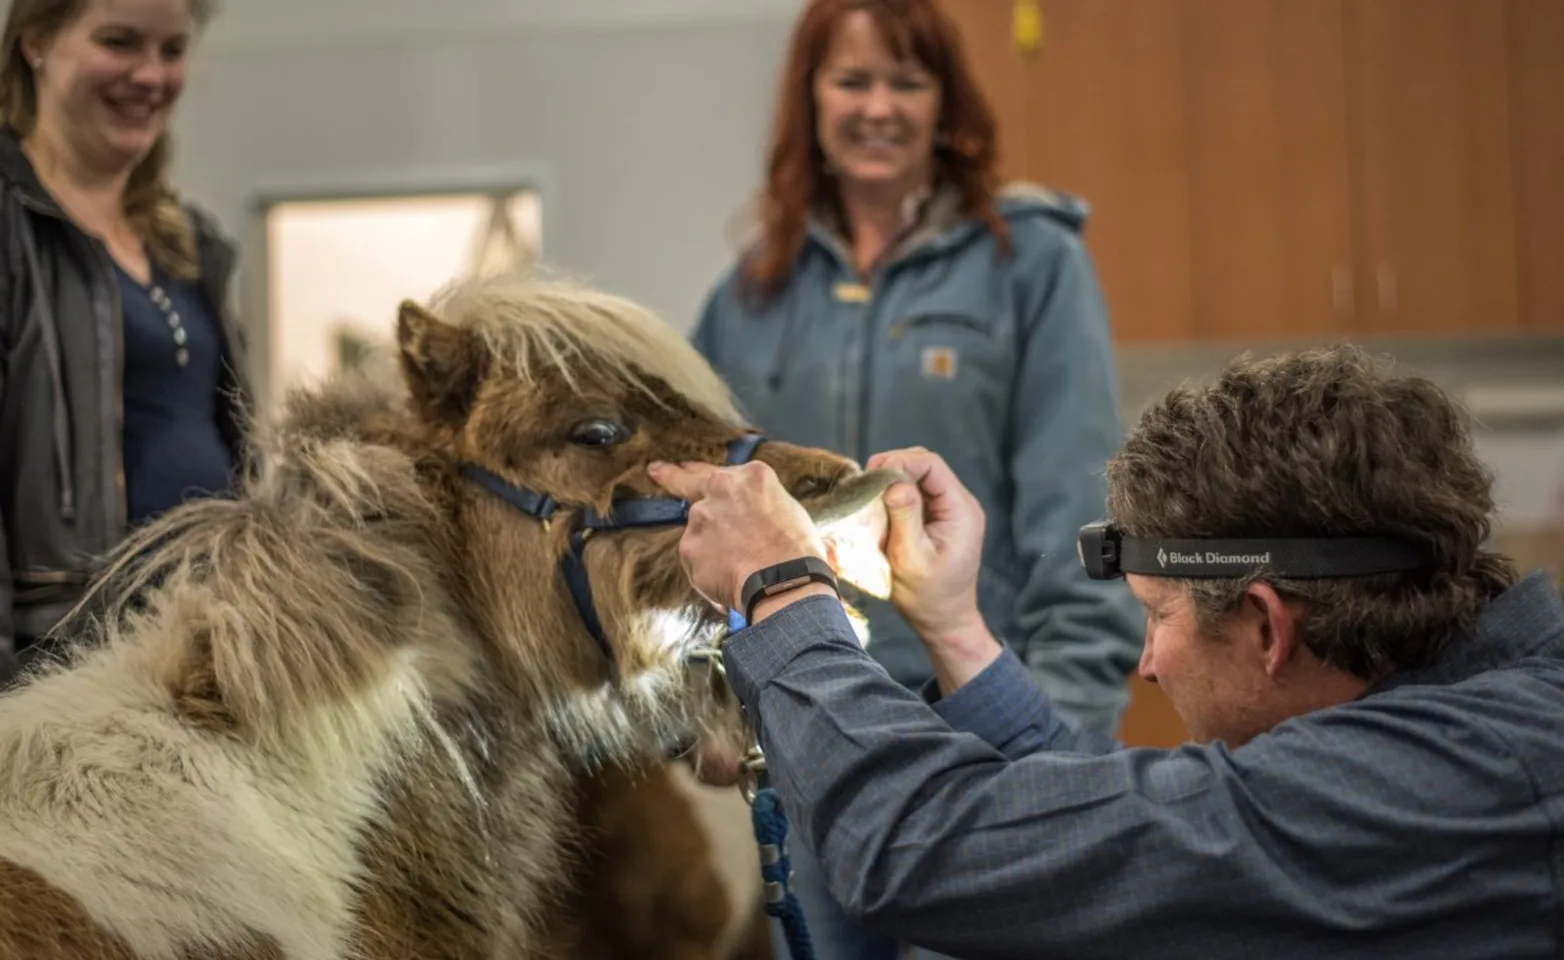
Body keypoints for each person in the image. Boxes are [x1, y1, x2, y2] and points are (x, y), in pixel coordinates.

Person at [650, 345, 1564, 959]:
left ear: (1266, 626)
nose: (1148, 666)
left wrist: (780, 589)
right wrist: (956, 629)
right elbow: (1151, 830)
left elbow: (918, 847)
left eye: (1156, 616)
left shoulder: (1449, 786)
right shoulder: (1480, 725)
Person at [691, 3, 1142, 951]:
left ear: (947, 104)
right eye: (852, 80)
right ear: (809, 101)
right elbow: (702, 513)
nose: (879, 107)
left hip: (980, 740)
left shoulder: (1032, 264)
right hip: (809, 742)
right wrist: (704, 704)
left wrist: (1052, 745)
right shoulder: (748, 294)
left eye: (908, 81)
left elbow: (1078, 503)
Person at [0, 0, 250, 681]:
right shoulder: (12, 224)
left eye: (172, 52)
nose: (150, 75)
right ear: (36, 43)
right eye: (119, 43)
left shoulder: (190, 241)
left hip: (206, 639)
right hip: (66, 654)